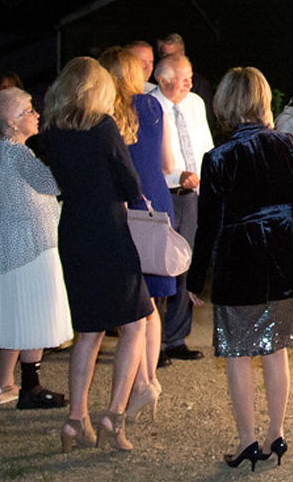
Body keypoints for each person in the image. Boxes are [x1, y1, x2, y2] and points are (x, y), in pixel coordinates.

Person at [188, 66, 293, 471]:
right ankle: (277, 433)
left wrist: (195, 279)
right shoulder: (288, 146)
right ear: (262, 99)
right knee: (276, 352)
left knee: (239, 355)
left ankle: (247, 440)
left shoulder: (218, 158)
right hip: (281, 255)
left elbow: (207, 225)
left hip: (239, 260)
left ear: (225, 103)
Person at [37, 57, 157, 452]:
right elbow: (130, 183)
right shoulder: (103, 127)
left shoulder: (50, 131)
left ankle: (76, 421)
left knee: (87, 332)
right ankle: (115, 414)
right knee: (136, 322)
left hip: (73, 229)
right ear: (96, 90)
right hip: (108, 229)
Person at [0, 87, 71, 410]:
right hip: (31, 244)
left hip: (13, 244)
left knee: (16, 314)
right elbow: (52, 183)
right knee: (34, 312)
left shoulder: (1, 151)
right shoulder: (17, 153)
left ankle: (6, 384)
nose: (35, 114)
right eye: (28, 111)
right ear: (11, 121)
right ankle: (31, 389)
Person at [102, 47, 173, 392]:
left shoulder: (104, 113)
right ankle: (151, 378)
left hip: (126, 203)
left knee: (133, 297)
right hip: (156, 199)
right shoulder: (153, 105)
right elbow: (165, 161)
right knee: (152, 298)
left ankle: (141, 380)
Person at [154, 53, 212, 365]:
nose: (188, 82)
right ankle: (153, 343)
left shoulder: (195, 104)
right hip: (163, 194)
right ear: (162, 81)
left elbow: (204, 144)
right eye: (181, 77)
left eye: (190, 75)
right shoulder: (150, 106)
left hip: (192, 195)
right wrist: (178, 176)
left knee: (185, 266)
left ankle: (176, 337)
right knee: (160, 266)